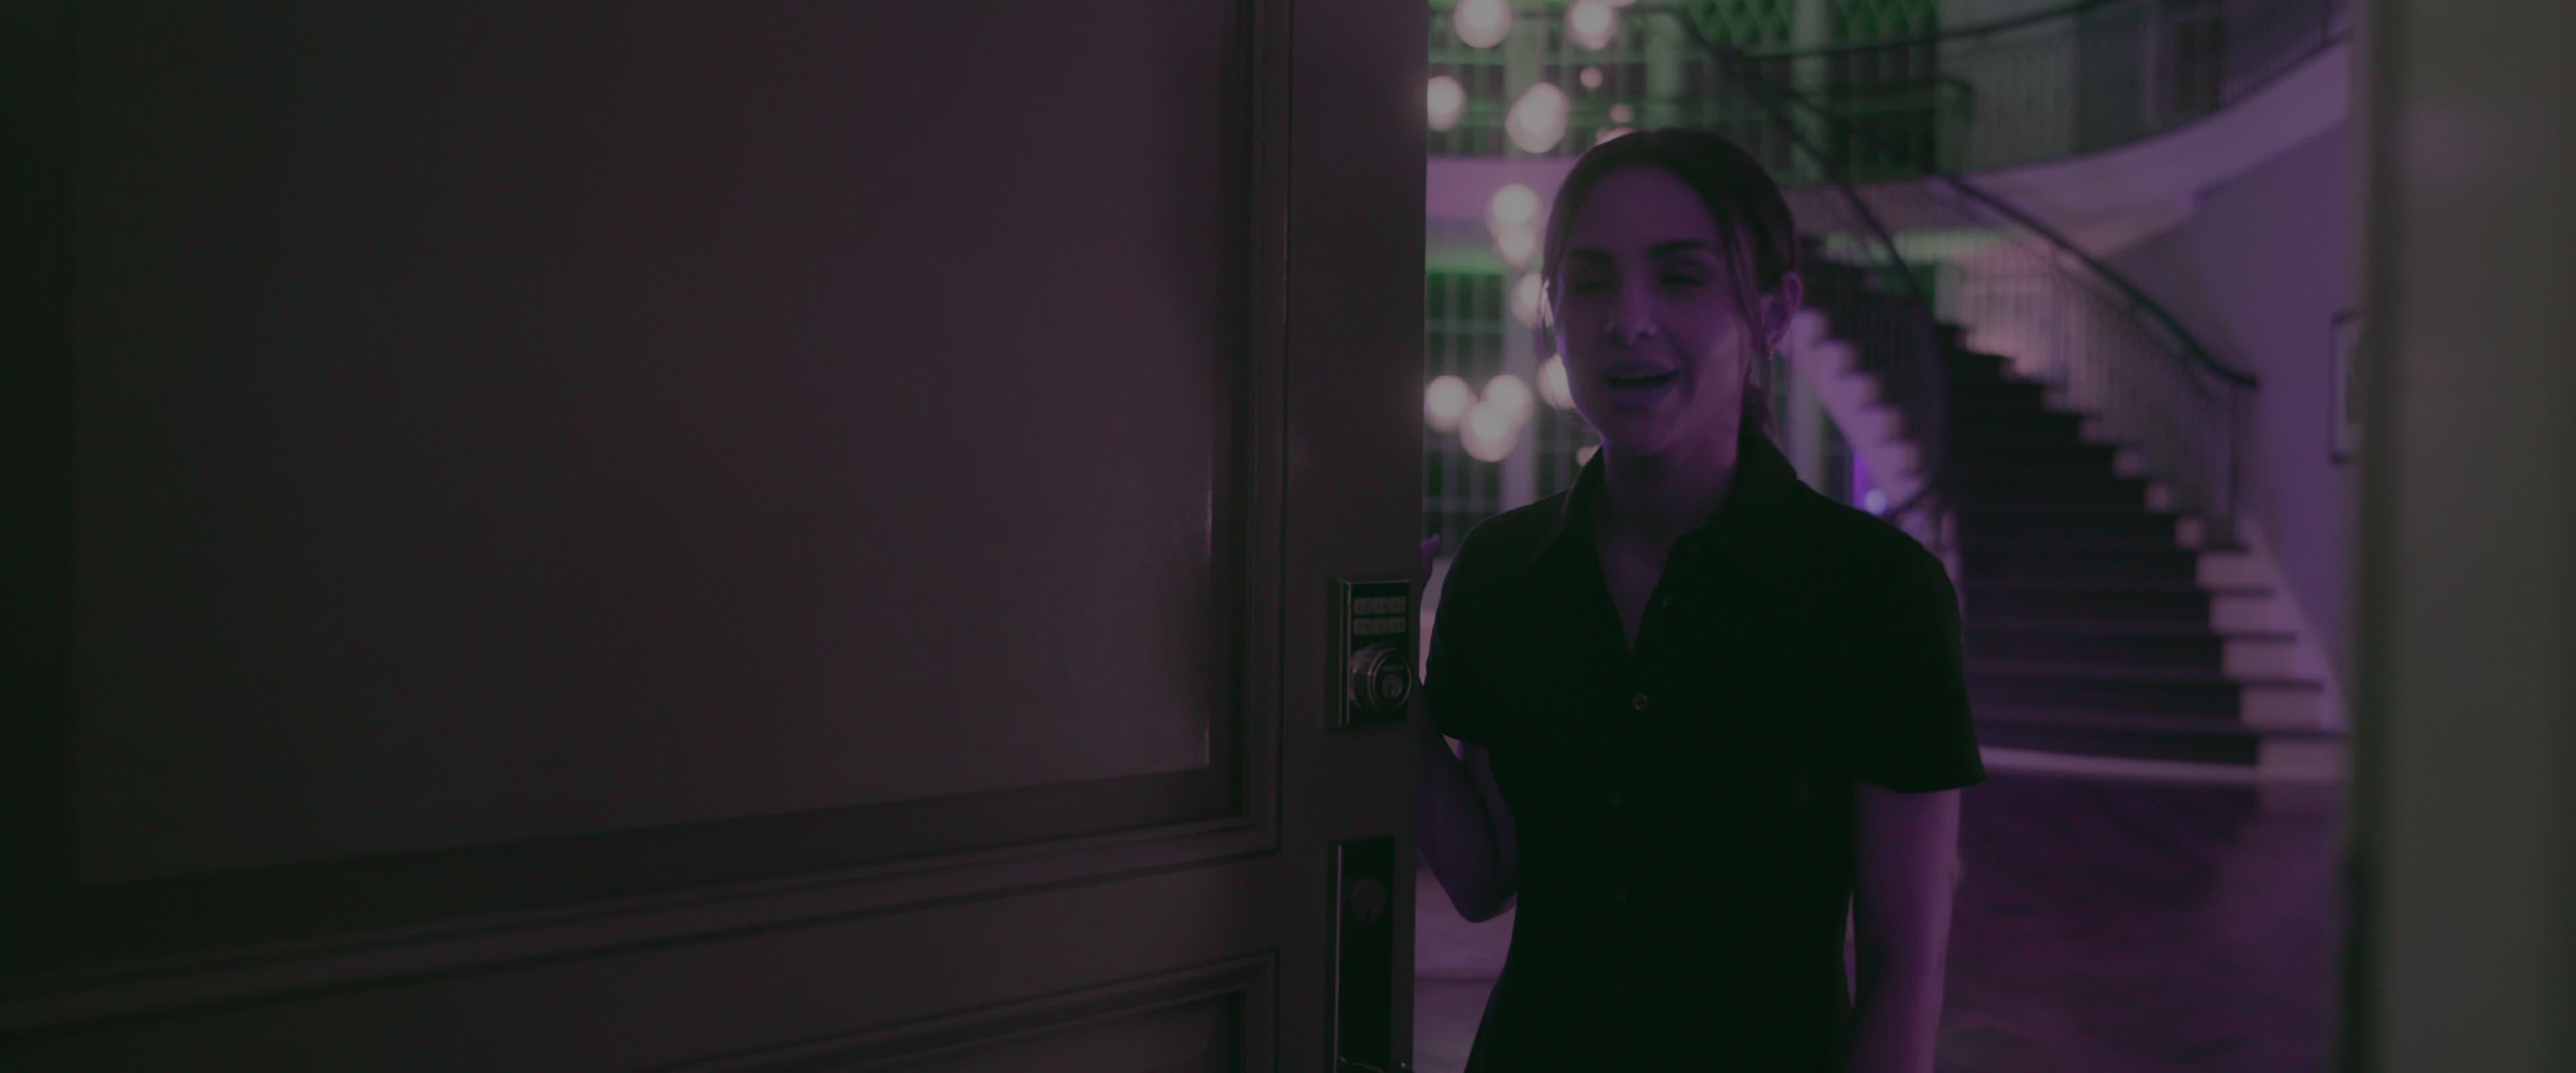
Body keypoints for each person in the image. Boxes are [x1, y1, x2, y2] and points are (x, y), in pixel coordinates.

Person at [1415, 127, 1984, 1072]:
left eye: (1681, 277)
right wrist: (1383, 678)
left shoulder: (1877, 591)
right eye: (1590, 281)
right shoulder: (1503, 570)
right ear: (1554, 309)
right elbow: (1483, 877)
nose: (1627, 321)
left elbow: (1901, 970)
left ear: (1773, 313)